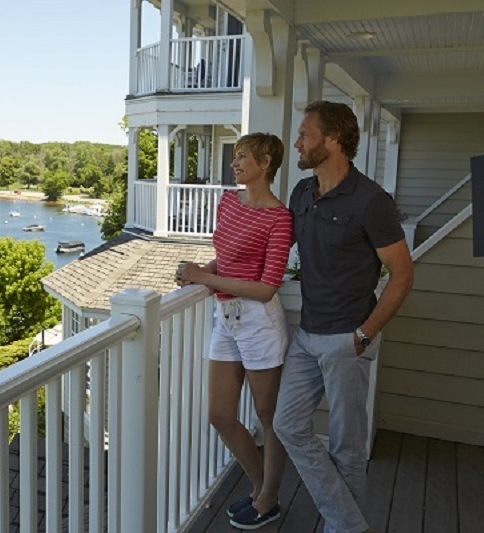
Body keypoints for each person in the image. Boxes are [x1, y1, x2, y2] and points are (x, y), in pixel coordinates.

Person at [273, 101, 414, 533]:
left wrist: (364, 335)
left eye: (305, 134)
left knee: (347, 447)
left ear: (333, 139)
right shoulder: (302, 193)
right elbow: (274, 244)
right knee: (287, 425)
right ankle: (351, 524)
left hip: (346, 340)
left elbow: (403, 274)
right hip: (307, 334)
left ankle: (342, 528)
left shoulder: (371, 201)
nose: (297, 142)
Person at [176, 132, 293, 530]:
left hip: (259, 323)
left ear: (265, 163)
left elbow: (266, 287)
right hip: (225, 318)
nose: (234, 163)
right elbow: (227, 258)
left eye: (242, 156)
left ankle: (268, 499)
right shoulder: (228, 202)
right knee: (220, 415)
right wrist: (205, 271)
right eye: (235, 156)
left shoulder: (280, 218)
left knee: (268, 417)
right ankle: (261, 488)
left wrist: (204, 278)